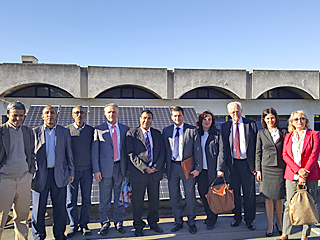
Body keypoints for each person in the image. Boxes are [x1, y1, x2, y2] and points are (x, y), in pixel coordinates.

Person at [31, 106, 75, 240]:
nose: (50, 115)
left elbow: (69, 153)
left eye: (52, 113)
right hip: (40, 176)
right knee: (38, 209)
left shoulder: (64, 132)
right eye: (47, 113)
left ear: (57, 116)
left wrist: (71, 171)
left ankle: (59, 234)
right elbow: (30, 155)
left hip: (59, 175)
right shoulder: (34, 132)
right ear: (42, 116)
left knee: (60, 209)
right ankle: (39, 236)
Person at [278, 110, 320, 240]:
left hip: (310, 174)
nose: (299, 121)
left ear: (306, 120)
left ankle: (304, 235)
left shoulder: (314, 134)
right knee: (289, 204)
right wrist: (298, 170)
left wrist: (304, 172)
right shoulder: (288, 136)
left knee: (308, 204)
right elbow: (285, 154)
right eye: (296, 119)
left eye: (302, 118)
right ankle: (285, 233)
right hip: (292, 175)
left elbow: (314, 154)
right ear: (292, 122)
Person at [162, 106, 202, 234]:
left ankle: (191, 222)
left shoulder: (191, 130)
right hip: (172, 166)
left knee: (189, 195)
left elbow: (197, 150)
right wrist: (163, 169)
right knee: (174, 196)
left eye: (179, 115)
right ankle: (178, 221)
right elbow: (164, 151)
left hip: (187, 167)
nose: (177, 118)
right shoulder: (166, 130)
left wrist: (198, 168)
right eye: (174, 115)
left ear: (183, 116)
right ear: (171, 116)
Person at [92, 103, 129, 236]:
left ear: (118, 114)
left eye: (113, 112)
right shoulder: (98, 129)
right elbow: (94, 152)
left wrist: (128, 170)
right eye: (108, 112)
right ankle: (105, 223)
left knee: (120, 198)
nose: (111, 114)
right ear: (105, 114)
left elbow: (127, 150)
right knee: (104, 198)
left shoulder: (125, 129)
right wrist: (96, 170)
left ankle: (119, 222)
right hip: (104, 169)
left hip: (120, 167)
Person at [126, 110, 165, 237]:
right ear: (139, 118)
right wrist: (144, 168)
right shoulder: (132, 134)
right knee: (138, 202)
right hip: (139, 174)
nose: (146, 121)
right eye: (144, 118)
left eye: (149, 118)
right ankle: (138, 226)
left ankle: (153, 222)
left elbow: (162, 153)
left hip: (154, 174)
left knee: (154, 201)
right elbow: (131, 154)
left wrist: (156, 167)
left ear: (152, 120)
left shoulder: (157, 134)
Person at [0, 102, 36, 240]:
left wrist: (30, 172)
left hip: (24, 180)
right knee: (1, 219)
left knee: (22, 218)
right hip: (4, 181)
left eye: (21, 116)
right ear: (8, 114)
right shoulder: (1, 131)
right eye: (15, 115)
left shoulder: (28, 131)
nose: (18, 119)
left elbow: (32, 153)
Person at [221, 101, 257, 230]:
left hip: (247, 164)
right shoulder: (225, 126)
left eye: (237, 111)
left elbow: (256, 147)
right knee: (235, 192)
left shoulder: (251, 124)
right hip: (233, 165)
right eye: (232, 112)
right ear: (229, 113)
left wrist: (255, 166)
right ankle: (236, 217)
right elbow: (224, 148)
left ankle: (250, 220)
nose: (235, 113)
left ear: (241, 110)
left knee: (249, 194)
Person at [255, 108, 286, 237]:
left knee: (279, 197)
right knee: (268, 197)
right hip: (266, 168)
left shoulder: (283, 132)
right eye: (267, 118)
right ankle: (269, 225)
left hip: (280, 167)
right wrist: (258, 170)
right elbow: (258, 152)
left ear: (276, 118)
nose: (270, 120)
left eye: (272, 117)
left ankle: (279, 223)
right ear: (264, 120)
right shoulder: (261, 133)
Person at [65, 106, 94, 237]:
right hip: (72, 172)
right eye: (77, 112)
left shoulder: (91, 131)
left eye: (82, 112)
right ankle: (73, 225)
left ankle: (84, 224)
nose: (79, 115)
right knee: (71, 200)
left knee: (86, 200)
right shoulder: (66, 131)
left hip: (87, 170)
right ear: (72, 115)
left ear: (85, 115)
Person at [196, 110, 225, 230]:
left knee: (213, 195)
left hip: (213, 170)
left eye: (209, 119)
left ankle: (212, 219)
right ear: (200, 121)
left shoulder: (217, 134)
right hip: (200, 170)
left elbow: (222, 152)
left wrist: (220, 168)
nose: (207, 121)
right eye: (205, 119)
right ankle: (208, 215)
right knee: (203, 193)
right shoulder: (196, 133)